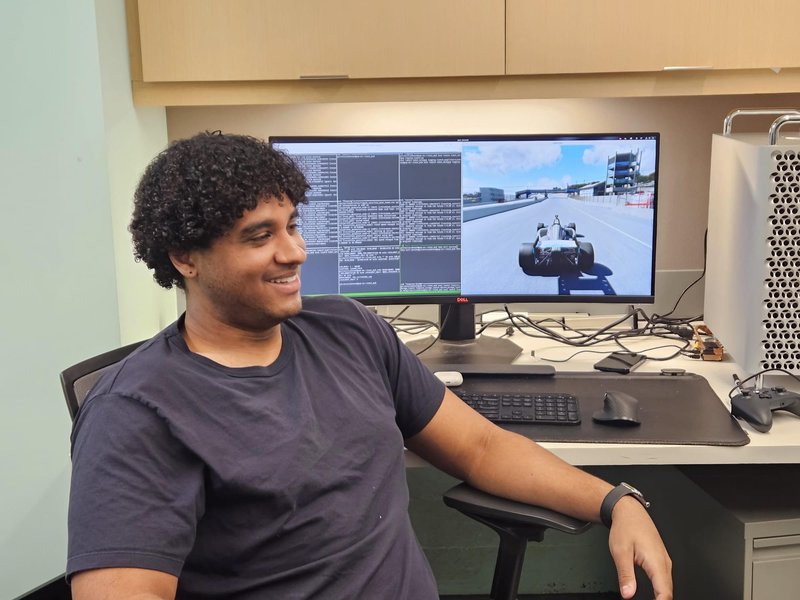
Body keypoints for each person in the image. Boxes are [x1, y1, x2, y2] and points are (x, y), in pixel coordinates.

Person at [67, 131, 672, 600]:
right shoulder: (137, 411)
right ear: (185, 258)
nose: (295, 251)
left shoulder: (349, 330)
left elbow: (482, 448)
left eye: (293, 226)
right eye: (259, 237)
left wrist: (616, 501)